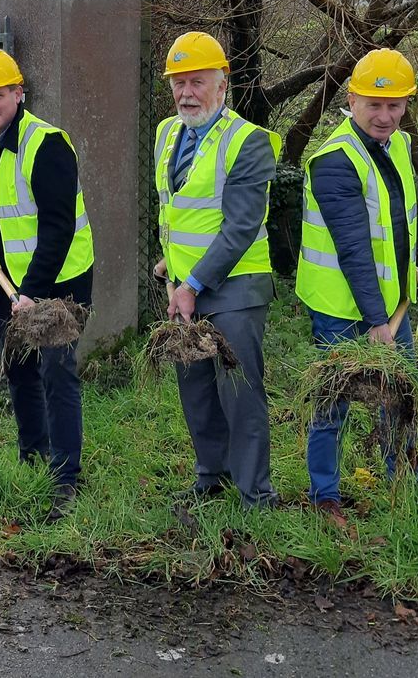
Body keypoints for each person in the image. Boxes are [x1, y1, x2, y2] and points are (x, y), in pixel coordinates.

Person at [296, 48, 418, 528]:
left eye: (395, 105)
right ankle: (324, 496)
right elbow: (352, 247)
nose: (385, 115)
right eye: (374, 103)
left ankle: (403, 488)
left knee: (401, 398)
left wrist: (408, 273)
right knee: (333, 402)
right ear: (351, 99)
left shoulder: (397, 145)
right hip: (342, 309)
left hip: (390, 305)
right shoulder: (334, 160)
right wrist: (377, 322)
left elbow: (397, 224)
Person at [0, 48, 94, 521]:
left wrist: (32, 292)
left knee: (56, 372)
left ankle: (66, 476)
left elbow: (58, 227)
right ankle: (34, 457)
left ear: (20, 93)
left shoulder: (48, 144)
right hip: (13, 280)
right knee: (19, 369)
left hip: (60, 281)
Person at [153, 32, 280, 509]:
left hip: (235, 289)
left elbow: (242, 226)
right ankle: (211, 476)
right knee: (196, 387)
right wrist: (170, 270)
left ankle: (255, 495)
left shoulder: (248, 141)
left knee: (239, 392)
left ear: (222, 84)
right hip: (183, 287)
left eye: (197, 82)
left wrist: (192, 284)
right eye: (178, 83)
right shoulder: (168, 133)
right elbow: (173, 209)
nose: (187, 92)